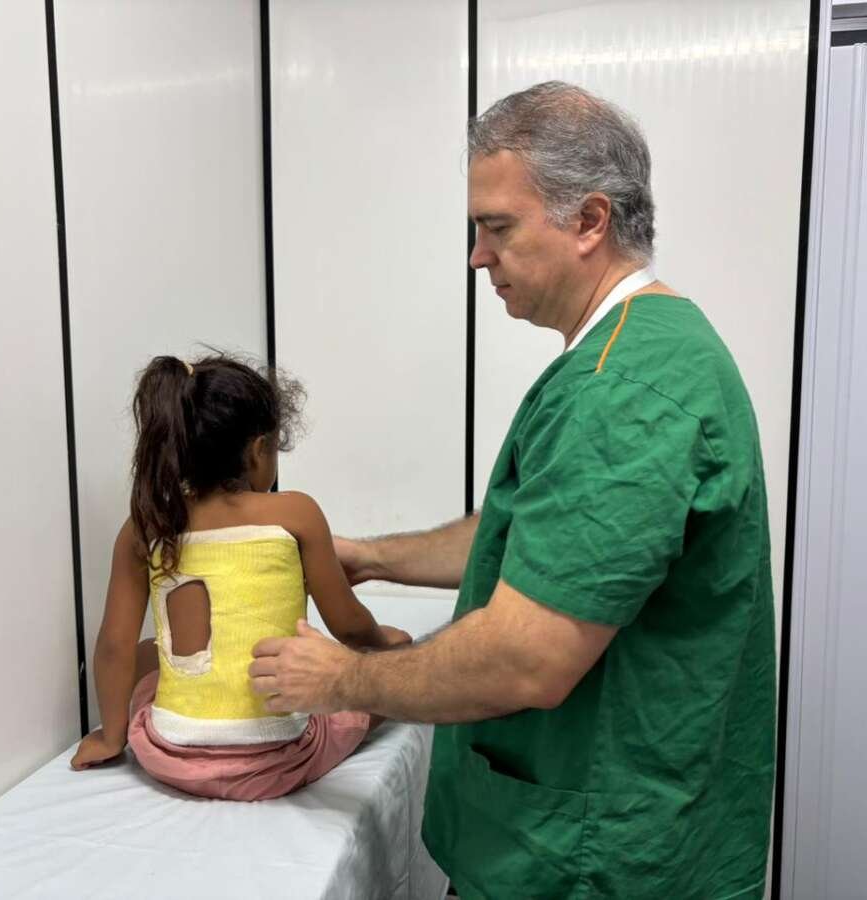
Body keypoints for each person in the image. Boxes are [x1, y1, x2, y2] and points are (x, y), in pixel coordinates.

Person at [249, 81, 776, 897]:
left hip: (596, 860)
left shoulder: (619, 395)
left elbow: (525, 661)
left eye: (497, 228)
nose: (477, 256)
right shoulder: (652, 345)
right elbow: (548, 538)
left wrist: (339, 678)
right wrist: (370, 556)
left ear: (590, 221)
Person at [70, 352, 409, 800]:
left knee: (143, 654)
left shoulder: (147, 526)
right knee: (396, 647)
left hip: (171, 755)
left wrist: (111, 737)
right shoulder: (296, 512)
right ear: (257, 449)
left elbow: (113, 648)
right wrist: (384, 649)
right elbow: (349, 625)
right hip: (280, 757)